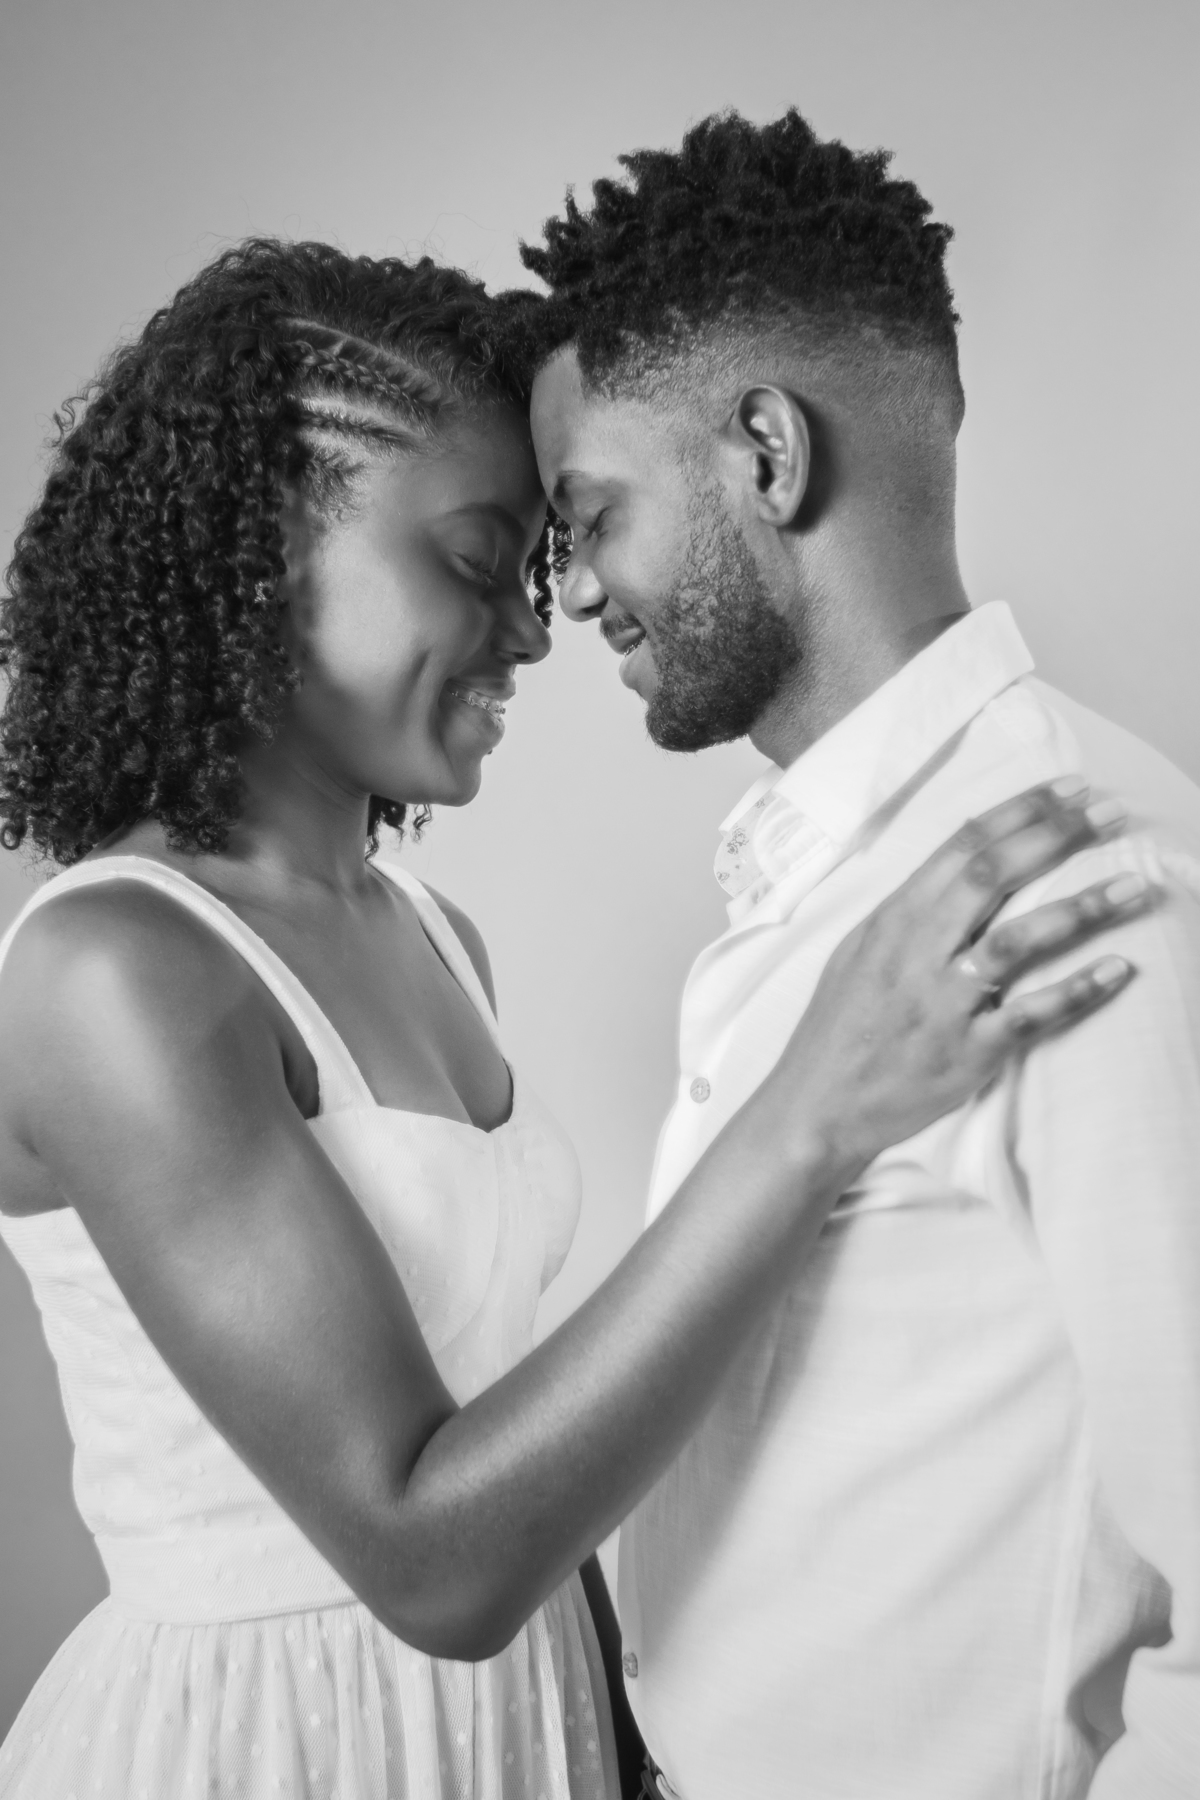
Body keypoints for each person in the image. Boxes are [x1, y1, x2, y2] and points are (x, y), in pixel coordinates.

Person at [0, 240, 1143, 1800]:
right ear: (261, 551)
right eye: (483, 563)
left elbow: (531, 1433)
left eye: (546, 561)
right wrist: (810, 1107)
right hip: (276, 1751)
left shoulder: (432, 939)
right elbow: (428, 1553)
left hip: (521, 1736)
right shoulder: (112, 974)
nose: (541, 630)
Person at [519, 108, 1200, 1799]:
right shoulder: (815, 884)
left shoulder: (1078, 871)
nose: (579, 593)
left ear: (763, 450)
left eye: (590, 516)